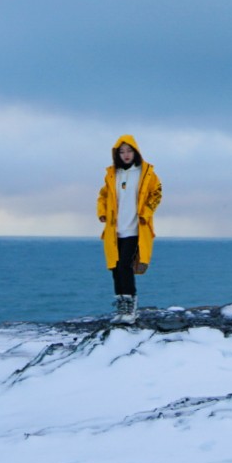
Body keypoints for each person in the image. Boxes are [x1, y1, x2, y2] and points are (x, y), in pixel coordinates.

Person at [96, 134, 162, 322]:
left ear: (136, 152)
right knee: (115, 269)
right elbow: (102, 196)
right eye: (122, 152)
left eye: (129, 151)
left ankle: (131, 307)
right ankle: (121, 307)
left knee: (125, 265)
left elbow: (156, 193)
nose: (125, 155)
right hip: (114, 230)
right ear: (117, 154)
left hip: (135, 229)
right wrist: (102, 212)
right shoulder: (112, 174)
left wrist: (146, 213)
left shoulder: (146, 173)